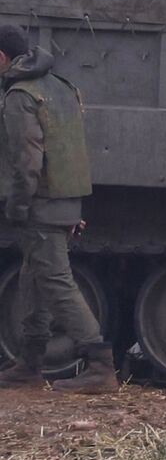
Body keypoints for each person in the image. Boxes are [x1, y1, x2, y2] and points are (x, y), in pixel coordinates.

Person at [0, 25, 117, 393]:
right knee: (33, 279)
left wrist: (17, 206)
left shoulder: (20, 96)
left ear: (1, 58)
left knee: (55, 281)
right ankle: (30, 364)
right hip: (65, 199)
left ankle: (100, 364)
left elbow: (27, 161)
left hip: (42, 203)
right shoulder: (60, 87)